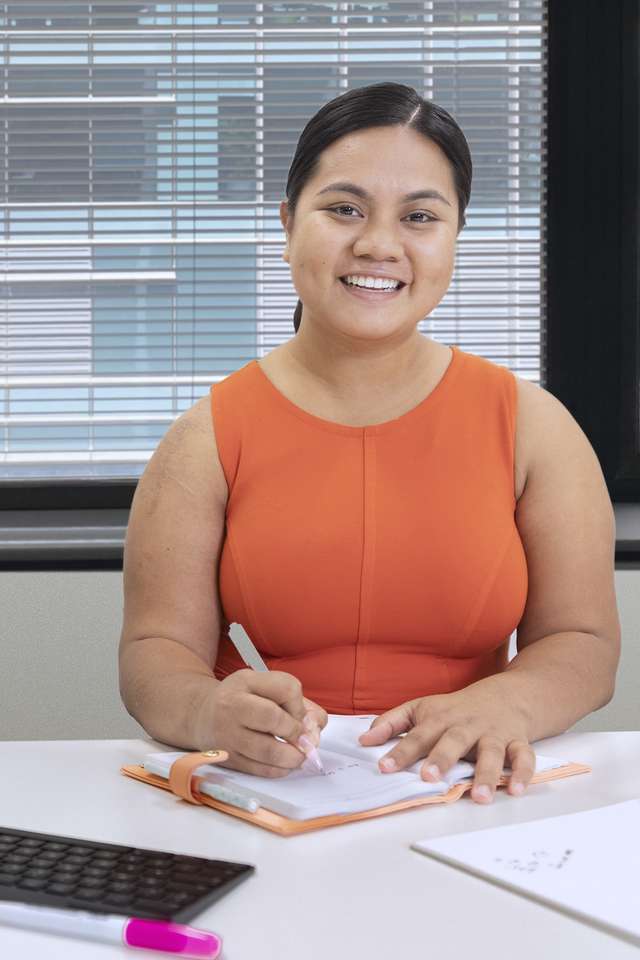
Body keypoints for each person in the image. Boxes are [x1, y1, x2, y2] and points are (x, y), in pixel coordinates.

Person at [119, 82, 620, 805]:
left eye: (419, 216)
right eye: (344, 209)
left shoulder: (534, 426)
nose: (378, 244)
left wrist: (509, 704)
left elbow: (584, 642)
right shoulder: (204, 438)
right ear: (290, 221)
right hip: (274, 794)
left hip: (475, 794)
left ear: (454, 236)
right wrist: (207, 710)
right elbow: (153, 655)